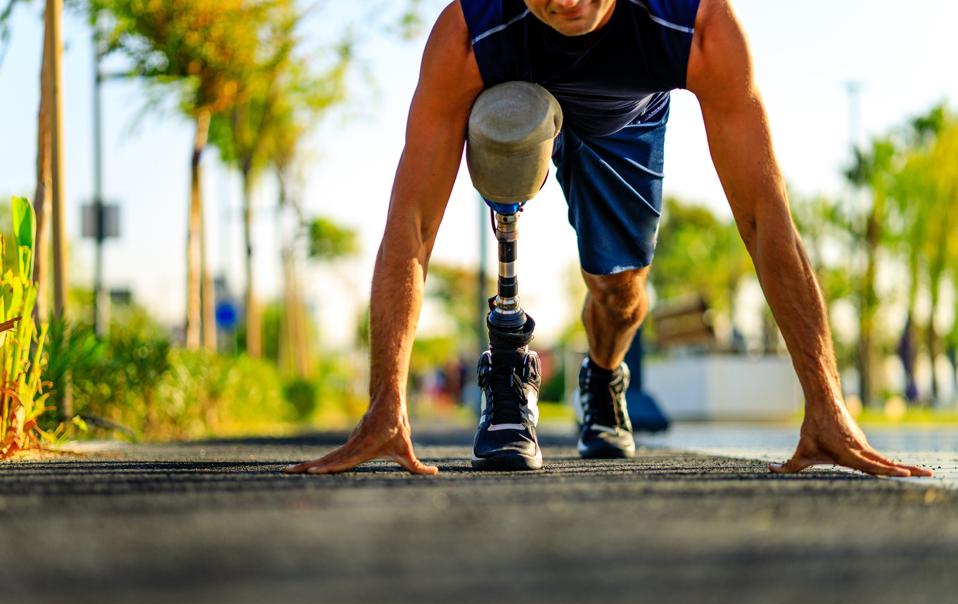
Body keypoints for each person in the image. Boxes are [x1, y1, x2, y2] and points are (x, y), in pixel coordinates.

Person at [287, 0, 933, 478]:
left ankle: (601, 377)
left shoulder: (697, 24)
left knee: (621, 293)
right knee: (503, 131)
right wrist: (384, 404)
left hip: (625, 120)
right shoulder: (471, 30)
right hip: (515, 99)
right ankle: (508, 359)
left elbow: (766, 218)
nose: (568, 1)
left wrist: (826, 403)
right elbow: (414, 223)